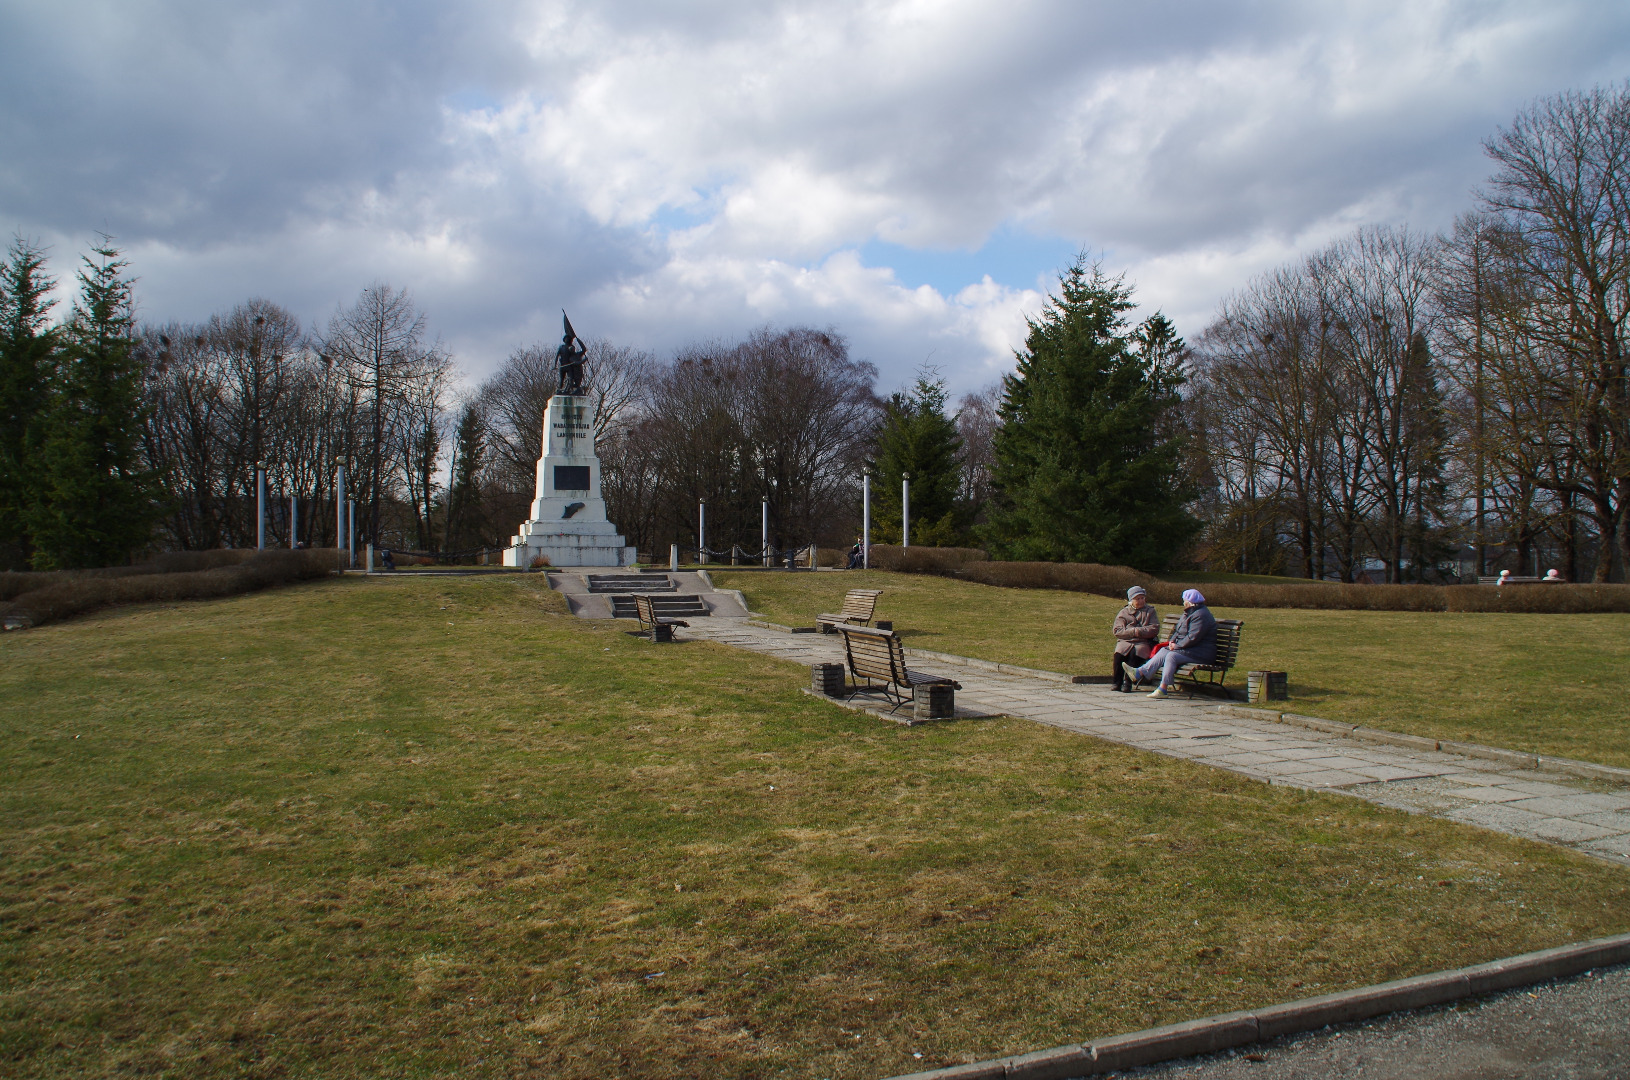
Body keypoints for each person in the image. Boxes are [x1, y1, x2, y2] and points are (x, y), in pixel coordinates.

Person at [1123, 588, 1216, 699]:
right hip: (1190, 649)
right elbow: (1178, 631)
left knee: (1172, 656)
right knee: (1164, 650)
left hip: (1202, 653)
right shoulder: (1189, 612)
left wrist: (1177, 646)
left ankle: (1163, 688)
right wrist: (1172, 642)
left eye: (1184, 600)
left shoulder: (1201, 615)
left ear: (1190, 602)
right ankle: (1139, 673)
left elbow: (1193, 637)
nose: (1183, 602)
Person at [1110, 586, 1159, 692]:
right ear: (1131, 600)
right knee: (1119, 654)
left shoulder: (1150, 611)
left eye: (1142, 598)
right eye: (1138, 598)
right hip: (1125, 641)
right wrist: (1133, 632)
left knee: (1135, 654)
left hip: (1143, 642)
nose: (1141, 601)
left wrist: (1136, 631)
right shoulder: (1124, 612)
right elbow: (1117, 631)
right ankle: (1116, 682)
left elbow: (1154, 629)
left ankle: (1127, 683)